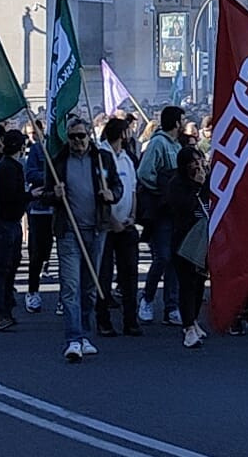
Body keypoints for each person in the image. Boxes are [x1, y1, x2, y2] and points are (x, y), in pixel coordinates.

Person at [53, 117, 121, 363]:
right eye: (73, 137)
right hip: (70, 231)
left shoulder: (102, 158)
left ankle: (84, 334)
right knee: (71, 286)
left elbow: (117, 185)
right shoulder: (59, 161)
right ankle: (72, 338)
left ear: (89, 135)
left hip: (97, 229)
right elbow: (47, 192)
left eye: (81, 136)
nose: (78, 141)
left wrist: (111, 194)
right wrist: (54, 194)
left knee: (90, 286)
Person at [136, 104, 184, 327]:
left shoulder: (177, 145)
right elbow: (145, 172)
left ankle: (171, 307)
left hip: (176, 211)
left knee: (175, 258)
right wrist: (162, 191)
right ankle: (147, 298)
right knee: (163, 257)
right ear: (176, 123)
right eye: (181, 120)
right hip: (161, 211)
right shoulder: (158, 143)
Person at [95, 117, 142, 337]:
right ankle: (103, 320)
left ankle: (130, 320)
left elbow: (132, 189)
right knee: (103, 275)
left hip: (126, 225)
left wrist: (132, 216)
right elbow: (100, 192)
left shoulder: (127, 158)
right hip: (106, 226)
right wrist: (112, 221)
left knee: (129, 275)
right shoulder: (101, 157)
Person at [0, 129, 29, 334]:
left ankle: (6, 307)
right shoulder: (8, 168)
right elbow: (10, 197)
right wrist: (31, 196)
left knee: (11, 265)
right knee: (1, 269)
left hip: (10, 222)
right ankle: (0, 312)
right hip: (2, 224)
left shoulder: (10, 166)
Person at [170, 144, 212, 348]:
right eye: (193, 162)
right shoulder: (177, 183)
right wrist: (195, 186)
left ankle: (194, 320)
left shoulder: (208, 180)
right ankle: (187, 326)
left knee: (199, 283)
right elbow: (181, 207)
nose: (198, 165)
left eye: (200, 160)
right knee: (187, 283)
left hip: (204, 238)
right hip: (185, 239)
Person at [22, 121, 56, 313]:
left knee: (65, 253)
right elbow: (31, 173)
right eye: (30, 133)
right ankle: (33, 291)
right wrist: (51, 178)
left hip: (62, 209)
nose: (33, 135)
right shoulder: (36, 150)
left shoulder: (60, 148)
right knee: (36, 254)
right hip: (40, 208)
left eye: (36, 132)